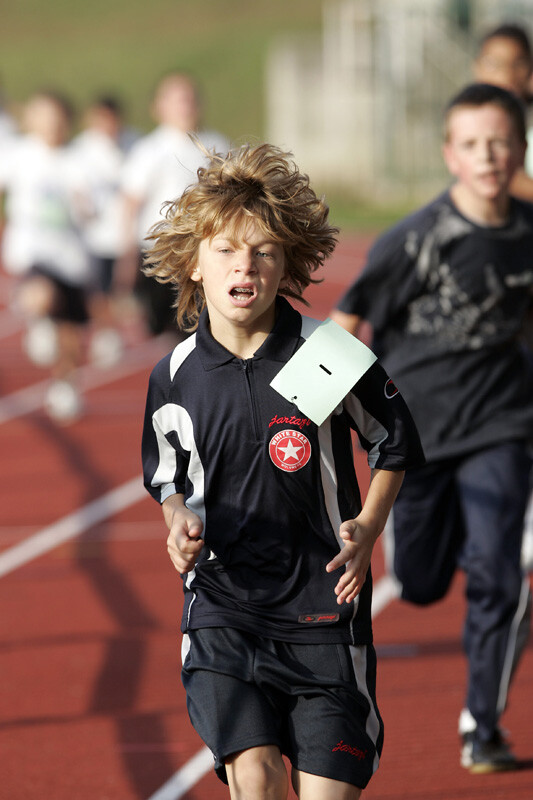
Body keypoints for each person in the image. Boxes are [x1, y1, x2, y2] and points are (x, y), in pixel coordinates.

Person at [141, 142, 423, 799]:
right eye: (226, 250)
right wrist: (176, 519)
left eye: (264, 251)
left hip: (323, 610)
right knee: (256, 776)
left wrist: (368, 526)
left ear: (286, 264)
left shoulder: (323, 355)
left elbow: (394, 441)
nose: (245, 265)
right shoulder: (175, 374)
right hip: (223, 609)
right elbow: (168, 475)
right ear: (194, 264)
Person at [331, 83, 533, 774]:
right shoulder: (417, 237)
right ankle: (448, 553)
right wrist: (299, 409)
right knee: (418, 583)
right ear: (450, 154)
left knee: (498, 573)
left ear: (521, 149)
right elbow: (349, 318)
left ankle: (482, 724)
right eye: (473, 144)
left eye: (500, 142)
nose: (489, 156)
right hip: (416, 434)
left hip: (501, 425)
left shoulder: (529, 232)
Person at [0, 89, 92, 421]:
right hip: (32, 252)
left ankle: (65, 386)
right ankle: (37, 319)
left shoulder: (77, 160)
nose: (51, 124)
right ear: (31, 119)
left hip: (71, 257)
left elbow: (91, 208)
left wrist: (85, 207)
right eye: (44, 117)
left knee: (70, 334)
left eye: (57, 118)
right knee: (41, 294)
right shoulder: (19, 155)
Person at [119, 71, 229, 336]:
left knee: (199, 324)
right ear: (159, 107)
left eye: (190, 99)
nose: (186, 107)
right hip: (161, 251)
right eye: (179, 100)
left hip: (202, 249)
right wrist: (127, 255)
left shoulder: (216, 145)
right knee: (161, 327)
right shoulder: (150, 149)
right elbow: (130, 203)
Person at [71, 94, 139, 367]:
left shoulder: (135, 143)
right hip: (94, 237)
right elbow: (75, 190)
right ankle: (106, 333)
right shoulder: (82, 149)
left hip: (126, 234)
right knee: (98, 291)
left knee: (123, 291)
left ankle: (115, 332)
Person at [473, 22, 533, 200]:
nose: (507, 75)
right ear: (477, 68)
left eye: (518, 64)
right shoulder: (469, 120)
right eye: (494, 64)